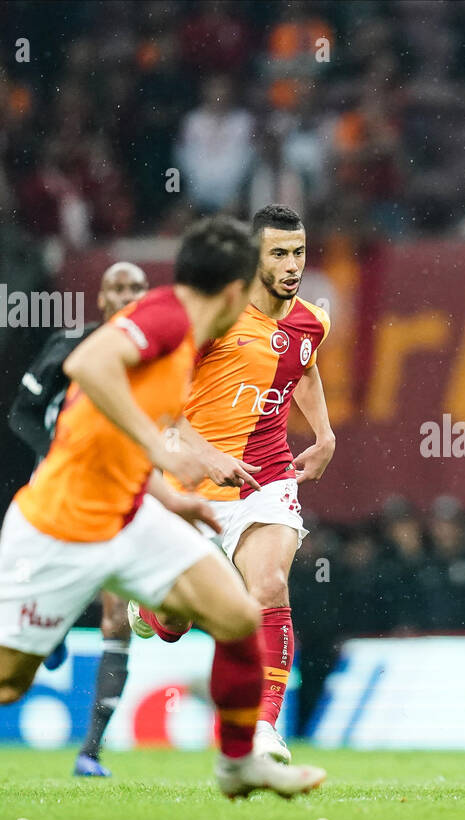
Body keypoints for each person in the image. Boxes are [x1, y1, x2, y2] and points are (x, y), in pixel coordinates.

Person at [0, 216, 326, 801]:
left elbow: (126, 430)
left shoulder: (224, 335)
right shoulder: (166, 318)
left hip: (132, 513)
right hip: (61, 525)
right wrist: (162, 451)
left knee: (239, 616)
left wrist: (170, 495)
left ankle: (237, 762)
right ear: (232, 288)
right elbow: (86, 366)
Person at [128, 205, 335, 766]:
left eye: (299, 253)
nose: (293, 266)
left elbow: (305, 366)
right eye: (279, 254)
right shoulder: (215, 315)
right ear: (253, 257)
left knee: (268, 586)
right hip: (191, 484)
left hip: (266, 479)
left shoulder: (312, 320)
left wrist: (324, 432)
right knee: (174, 621)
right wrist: (206, 454)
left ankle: (265, 729)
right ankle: (152, 614)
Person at [8, 260, 149, 777]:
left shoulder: (160, 359)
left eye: (138, 287)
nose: (129, 294)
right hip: (62, 495)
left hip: (124, 498)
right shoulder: (71, 345)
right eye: (119, 287)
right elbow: (21, 412)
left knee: (117, 619)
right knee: (52, 589)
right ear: (103, 298)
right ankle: (50, 627)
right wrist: (56, 454)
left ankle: (90, 751)